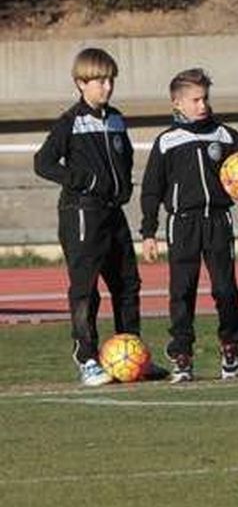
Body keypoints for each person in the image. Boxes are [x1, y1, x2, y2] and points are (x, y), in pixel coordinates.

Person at [139, 68, 238, 383]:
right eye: (195, 100)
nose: (202, 105)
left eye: (205, 98)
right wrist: (148, 232)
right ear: (177, 103)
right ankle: (182, 354)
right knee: (182, 291)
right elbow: (151, 189)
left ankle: (230, 348)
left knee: (225, 289)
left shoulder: (223, 135)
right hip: (183, 224)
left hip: (218, 220)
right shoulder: (167, 142)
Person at [33, 47, 154, 386]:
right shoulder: (70, 122)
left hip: (113, 212)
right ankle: (86, 357)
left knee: (127, 284)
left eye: (110, 79)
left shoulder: (116, 118)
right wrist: (84, 182)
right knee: (86, 289)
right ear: (80, 83)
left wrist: (124, 185)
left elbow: (124, 157)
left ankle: (132, 353)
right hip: (82, 214)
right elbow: (42, 163)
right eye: (99, 80)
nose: (107, 87)